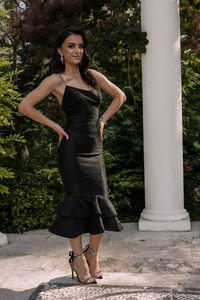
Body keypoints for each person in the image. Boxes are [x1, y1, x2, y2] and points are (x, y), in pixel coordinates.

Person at [18, 27, 126, 284]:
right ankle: (78, 259)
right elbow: (25, 106)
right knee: (77, 202)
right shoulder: (57, 80)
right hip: (72, 149)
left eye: (80, 45)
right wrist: (56, 126)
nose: (77, 50)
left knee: (100, 200)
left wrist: (102, 120)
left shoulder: (92, 77)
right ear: (60, 50)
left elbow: (119, 96)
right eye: (71, 46)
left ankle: (93, 254)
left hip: (94, 149)